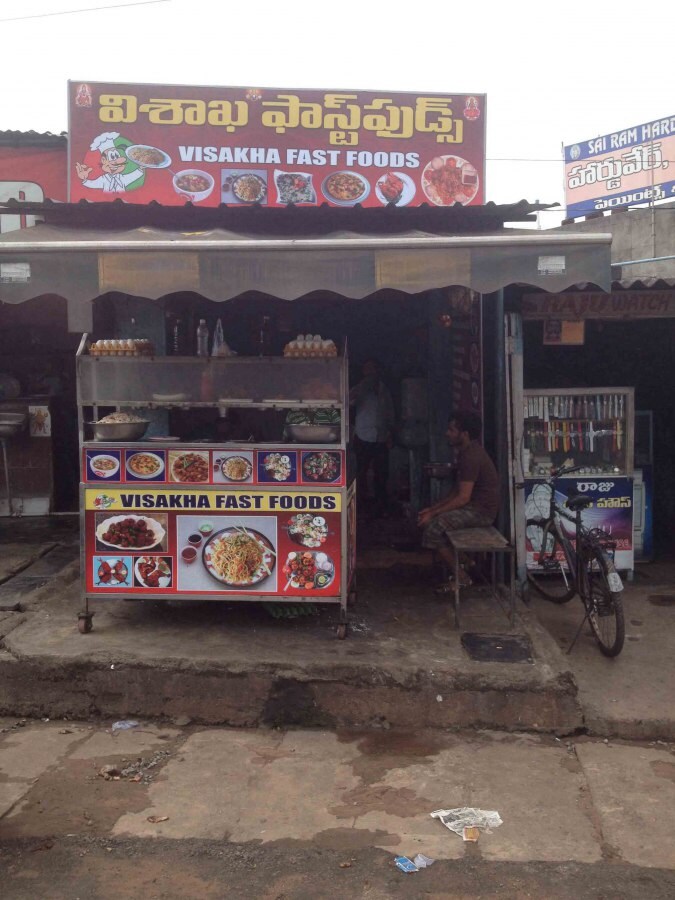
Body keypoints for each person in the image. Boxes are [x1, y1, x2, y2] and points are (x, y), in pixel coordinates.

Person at [418, 411, 499, 589]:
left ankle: (462, 576)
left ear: (465, 434)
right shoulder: (465, 453)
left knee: (434, 528)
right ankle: (469, 565)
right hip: (471, 508)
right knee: (430, 521)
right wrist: (431, 510)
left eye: (452, 430)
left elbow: (463, 498)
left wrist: (434, 515)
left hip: (481, 513)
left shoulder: (472, 457)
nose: (447, 433)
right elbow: (456, 493)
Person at [350, 359, 395, 516]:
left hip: (381, 437)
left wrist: (390, 434)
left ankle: (380, 507)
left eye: (372, 369)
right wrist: (361, 387)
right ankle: (361, 507)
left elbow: (389, 413)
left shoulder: (384, 390)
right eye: (367, 369)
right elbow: (348, 400)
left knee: (381, 474)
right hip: (363, 436)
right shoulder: (360, 389)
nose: (370, 373)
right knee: (360, 473)